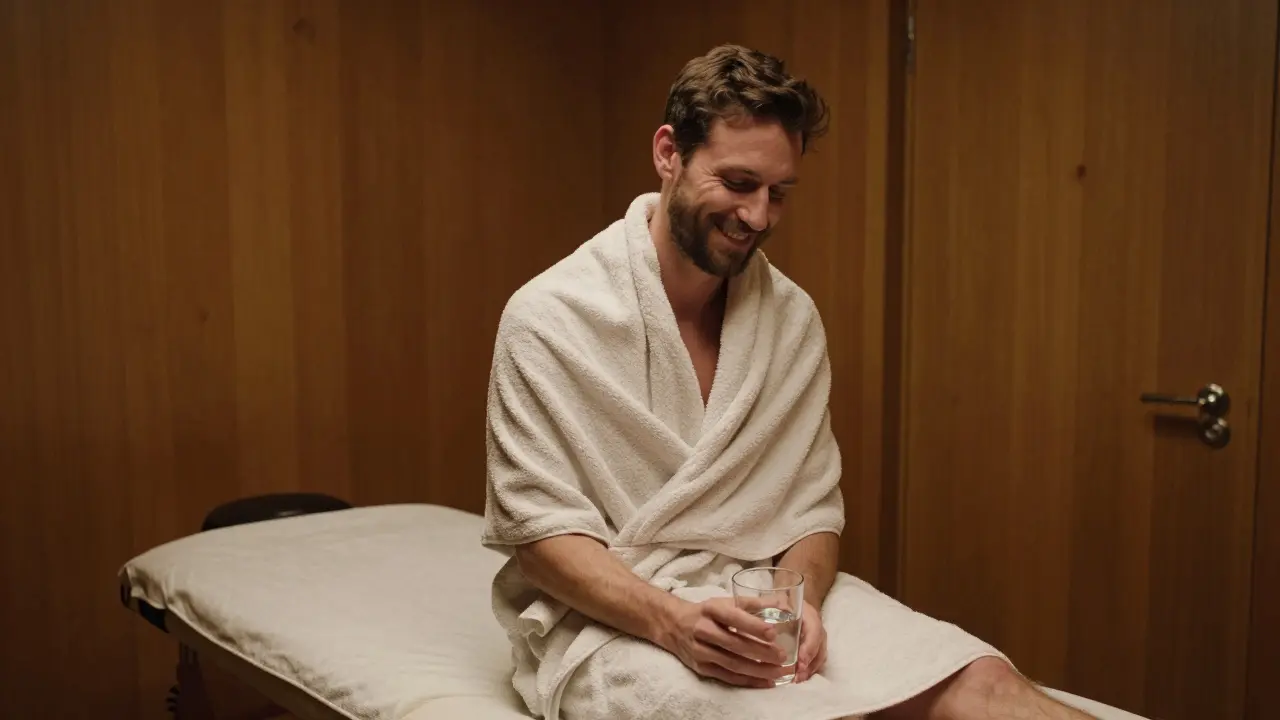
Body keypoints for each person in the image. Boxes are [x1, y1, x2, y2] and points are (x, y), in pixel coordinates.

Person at [481, 44, 1094, 720]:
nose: (759, 217)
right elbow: (538, 539)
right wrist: (676, 622)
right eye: (739, 183)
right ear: (668, 154)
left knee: (984, 682)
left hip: (763, 595)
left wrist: (792, 605)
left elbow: (812, 512)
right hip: (614, 619)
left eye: (779, 193)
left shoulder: (789, 320)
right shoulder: (550, 320)